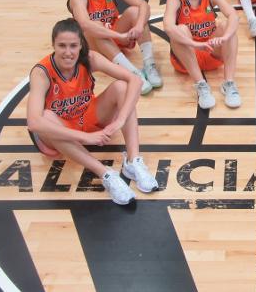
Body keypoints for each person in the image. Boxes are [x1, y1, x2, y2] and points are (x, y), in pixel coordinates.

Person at [26, 18, 158, 205]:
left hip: (85, 116)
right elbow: (33, 122)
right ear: (53, 45)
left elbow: (135, 81)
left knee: (121, 87)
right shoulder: (41, 72)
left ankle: (133, 161)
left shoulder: (90, 59)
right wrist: (86, 138)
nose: (68, 52)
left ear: (81, 44)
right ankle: (106, 174)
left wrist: (120, 120)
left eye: (73, 46)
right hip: (60, 128)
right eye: (62, 46)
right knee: (45, 117)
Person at [68, 0, 162, 95]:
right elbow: (85, 24)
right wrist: (119, 37)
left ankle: (149, 64)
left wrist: (138, 26)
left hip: (112, 37)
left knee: (135, 12)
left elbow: (144, 4)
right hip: (91, 44)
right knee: (96, 25)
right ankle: (132, 73)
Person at [163, 0, 241, 109]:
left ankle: (229, 84)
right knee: (179, 30)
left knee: (228, 27)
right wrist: (194, 44)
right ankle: (201, 86)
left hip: (211, 51)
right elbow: (167, 27)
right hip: (187, 58)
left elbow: (234, 15)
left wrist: (224, 37)